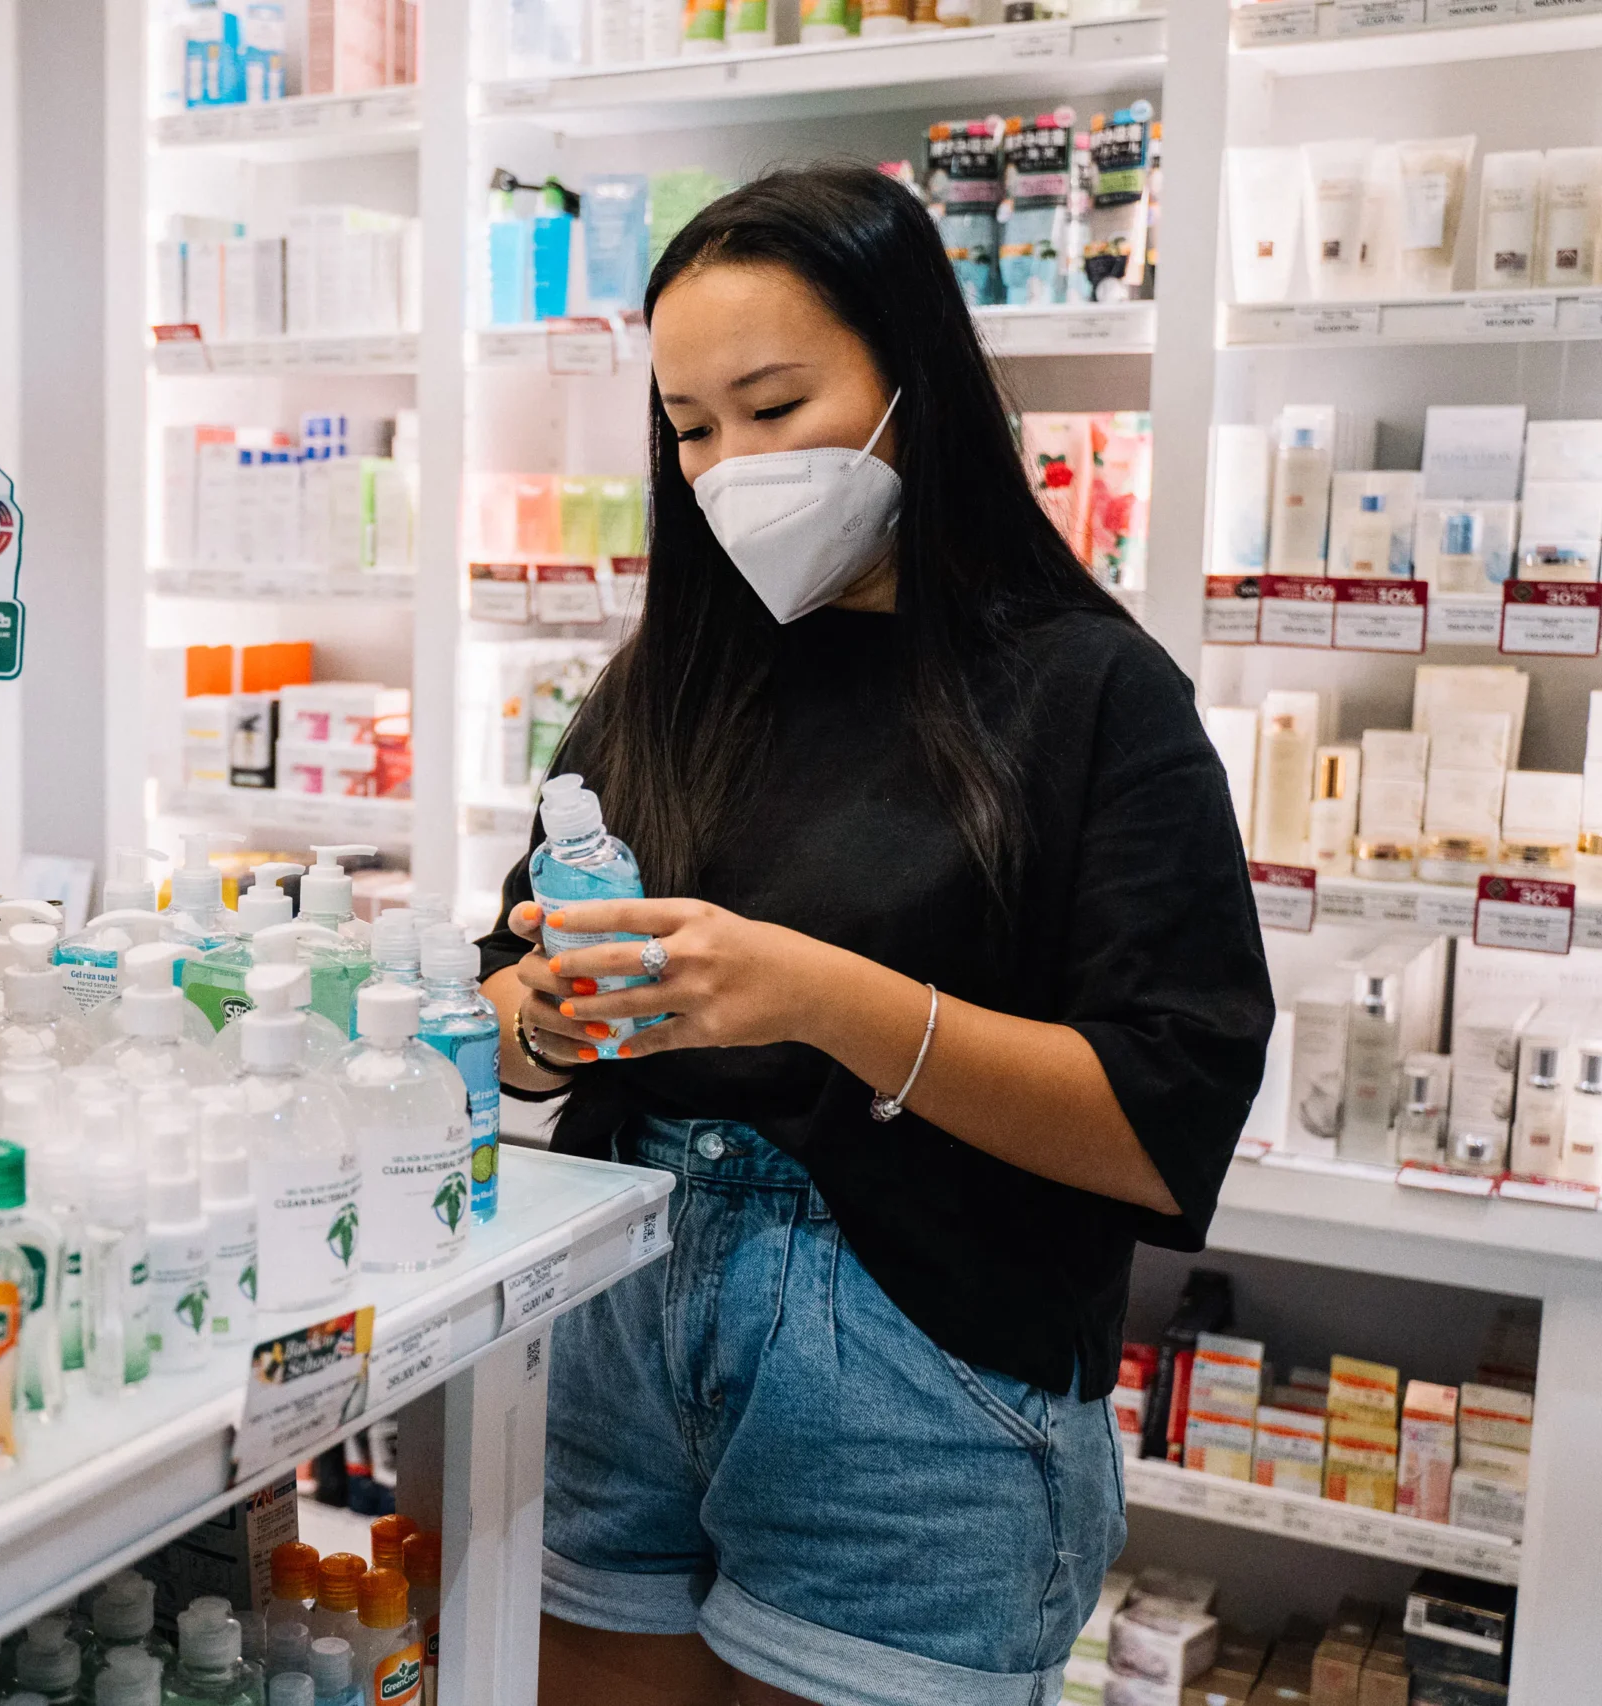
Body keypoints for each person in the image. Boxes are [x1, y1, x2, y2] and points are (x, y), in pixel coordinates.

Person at [476, 164, 1273, 1706]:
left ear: (918, 380)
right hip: (622, 1307)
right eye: (693, 427)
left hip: (918, 1365)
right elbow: (499, 994)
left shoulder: (1093, 697)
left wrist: (827, 999)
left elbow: (1162, 1124)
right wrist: (549, 1015)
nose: (728, 465)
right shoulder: (664, 685)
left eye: (774, 407)